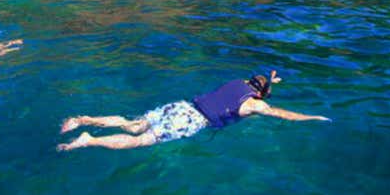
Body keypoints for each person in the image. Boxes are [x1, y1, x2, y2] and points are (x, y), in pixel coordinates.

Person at [57, 70, 330, 151]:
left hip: (182, 105)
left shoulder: (238, 81)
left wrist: (270, 80)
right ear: (262, 94)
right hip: (192, 120)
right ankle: (88, 140)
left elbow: (257, 84)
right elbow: (282, 114)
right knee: (139, 140)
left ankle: (85, 119)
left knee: (133, 124)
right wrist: (312, 117)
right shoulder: (255, 104)